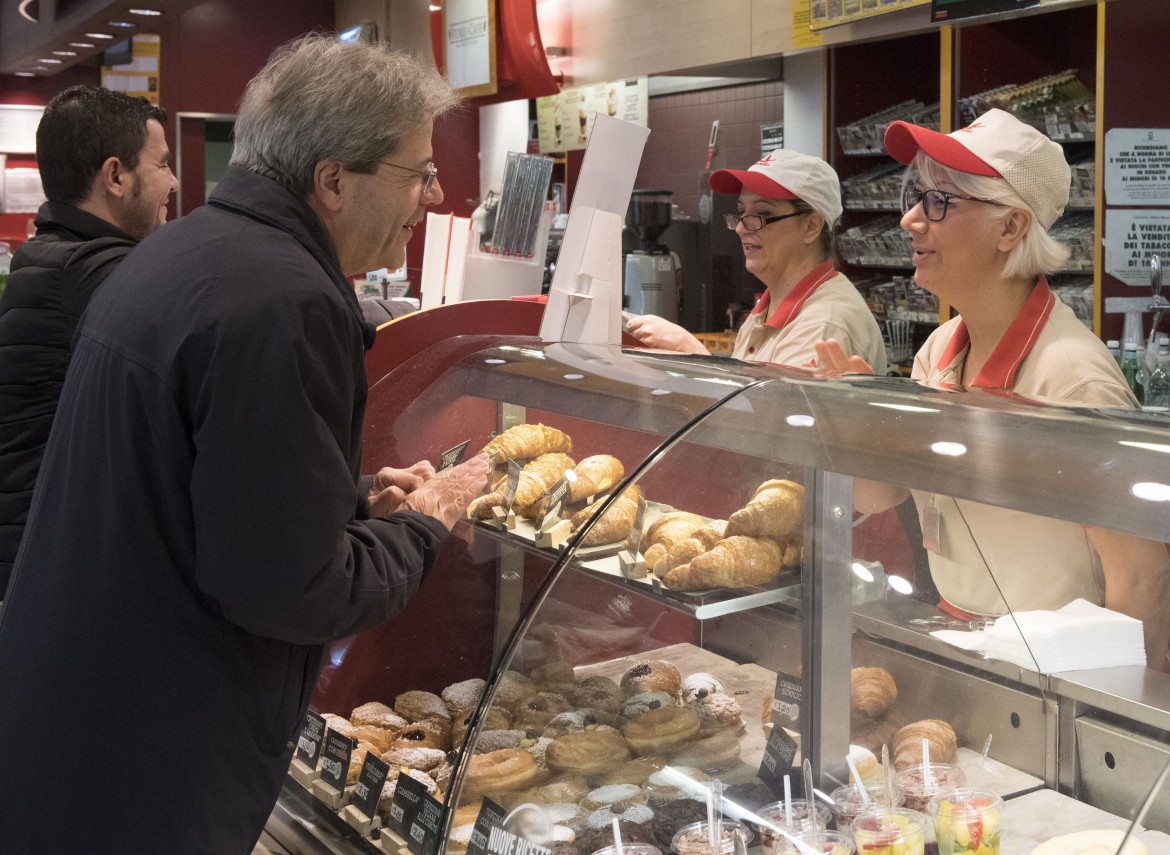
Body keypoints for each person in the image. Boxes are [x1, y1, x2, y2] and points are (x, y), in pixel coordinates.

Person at [0, 35, 489, 854]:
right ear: (332, 179)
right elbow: (290, 586)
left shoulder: (191, 252)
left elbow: (201, 477)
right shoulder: (284, 300)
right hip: (147, 768)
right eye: (417, 171)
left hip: (81, 725)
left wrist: (352, 494)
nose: (435, 197)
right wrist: (426, 524)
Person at [816, 108, 1170, 668]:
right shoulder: (939, 350)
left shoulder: (1071, 380)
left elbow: (1144, 578)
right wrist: (862, 419)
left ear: (1011, 227)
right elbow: (879, 498)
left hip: (1055, 665)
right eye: (915, 195)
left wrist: (1105, 720)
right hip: (961, 638)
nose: (909, 220)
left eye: (938, 202)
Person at [0, 85, 178, 595]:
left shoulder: (54, 256)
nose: (174, 180)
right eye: (162, 164)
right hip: (49, 579)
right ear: (116, 176)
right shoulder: (93, 271)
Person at [625, 149, 888, 375]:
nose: (741, 229)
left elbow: (773, 424)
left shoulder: (825, 324)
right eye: (741, 212)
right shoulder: (766, 310)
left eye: (762, 213)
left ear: (811, 226)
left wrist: (693, 354)